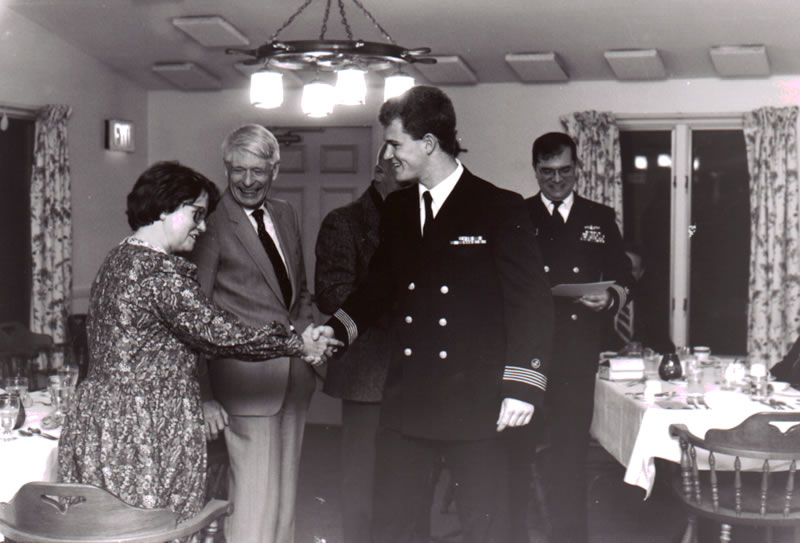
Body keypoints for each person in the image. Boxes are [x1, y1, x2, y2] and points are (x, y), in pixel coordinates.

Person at [325, 85, 554, 543]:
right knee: (392, 528)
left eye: (395, 144)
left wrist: (522, 387)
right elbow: (378, 289)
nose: (388, 155)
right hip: (408, 399)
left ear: (429, 143)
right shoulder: (398, 209)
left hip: (477, 402)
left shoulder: (497, 206)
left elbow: (531, 302)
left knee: (489, 530)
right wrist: (335, 332)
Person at [58, 161, 335, 521]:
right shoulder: (158, 273)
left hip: (101, 422)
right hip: (143, 429)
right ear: (166, 208)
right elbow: (221, 334)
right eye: (197, 214)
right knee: (151, 528)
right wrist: (298, 344)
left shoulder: (119, 258)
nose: (202, 227)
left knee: (106, 528)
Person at [190, 124, 321, 543]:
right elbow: (195, 315)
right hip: (243, 387)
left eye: (257, 171)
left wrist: (308, 343)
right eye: (237, 170)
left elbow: (298, 295)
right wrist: (203, 394)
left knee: (284, 503)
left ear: (274, 170)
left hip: (294, 380)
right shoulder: (211, 222)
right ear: (226, 168)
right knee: (254, 502)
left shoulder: (285, 213)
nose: (247, 181)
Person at [526, 132, 634, 543]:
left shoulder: (599, 217)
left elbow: (623, 276)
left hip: (576, 353)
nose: (557, 180)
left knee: (569, 455)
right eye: (547, 172)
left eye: (565, 170)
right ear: (535, 170)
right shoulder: (518, 216)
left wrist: (610, 298)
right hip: (528, 353)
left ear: (578, 169)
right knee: (517, 451)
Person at [314, 146, 413, 543]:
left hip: (416, 372)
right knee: (363, 482)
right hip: (367, 373)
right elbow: (330, 293)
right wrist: (396, 305)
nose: (409, 184)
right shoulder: (344, 222)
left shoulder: (421, 218)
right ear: (378, 172)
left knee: (407, 480)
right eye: (400, 175)